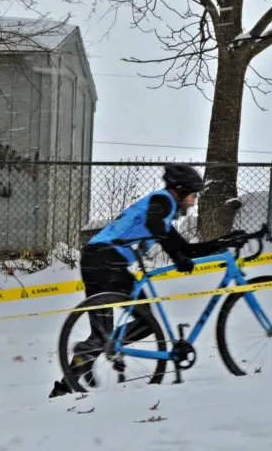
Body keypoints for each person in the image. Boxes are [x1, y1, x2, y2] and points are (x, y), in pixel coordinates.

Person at [49, 163, 228, 398]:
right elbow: (157, 228)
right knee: (145, 321)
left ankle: (65, 386)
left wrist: (225, 242)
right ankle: (103, 347)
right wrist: (178, 257)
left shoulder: (162, 213)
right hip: (106, 260)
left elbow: (185, 249)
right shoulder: (162, 201)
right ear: (181, 191)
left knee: (102, 333)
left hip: (97, 259)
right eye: (192, 196)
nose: (193, 203)